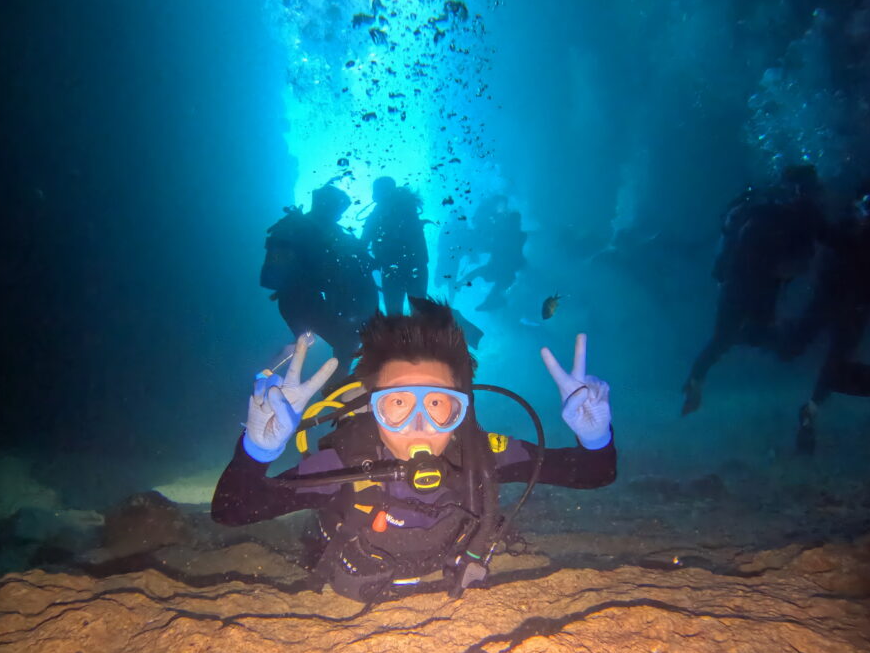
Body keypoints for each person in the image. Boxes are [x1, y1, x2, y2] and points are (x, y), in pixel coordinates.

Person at [212, 298, 616, 602]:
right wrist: (256, 450)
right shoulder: (345, 464)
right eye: (398, 405)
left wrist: (594, 436)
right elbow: (233, 510)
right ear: (374, 409)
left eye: (438, 405)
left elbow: (594, 473)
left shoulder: (478, 455)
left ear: (462, 408)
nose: (419, 424)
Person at [779, 176, 870, 452]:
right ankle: (813, 407)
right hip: (853, 301)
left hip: (837, 298)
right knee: (834, 360)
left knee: (819, 353)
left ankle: (812, 410)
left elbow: (828, 250)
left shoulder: (856, 224)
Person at [681, 164, 827, 415]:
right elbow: (804, 254)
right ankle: (698, 377)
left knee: (724, 337)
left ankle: (695, 379)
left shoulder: (759, 208)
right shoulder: (798, 213)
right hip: (759, 283)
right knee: (755, 335)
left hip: (737, 280)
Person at [260, 183, 378, 374]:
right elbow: (330, 269)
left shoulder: (303, 226)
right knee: (346, 345)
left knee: (306, 343)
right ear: (329, 206)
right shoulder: (318, 232)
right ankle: (334, 398)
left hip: (292, 302)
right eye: (338, 209)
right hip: (305, 302)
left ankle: (265, 376)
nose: (339, 215)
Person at [362, 177, 429, 316]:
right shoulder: (409, 208)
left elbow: (363, 244)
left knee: (395, 317)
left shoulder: (376, 216)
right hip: (416, 268)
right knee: (420, 315)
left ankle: (400, 337)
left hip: (392, 271)